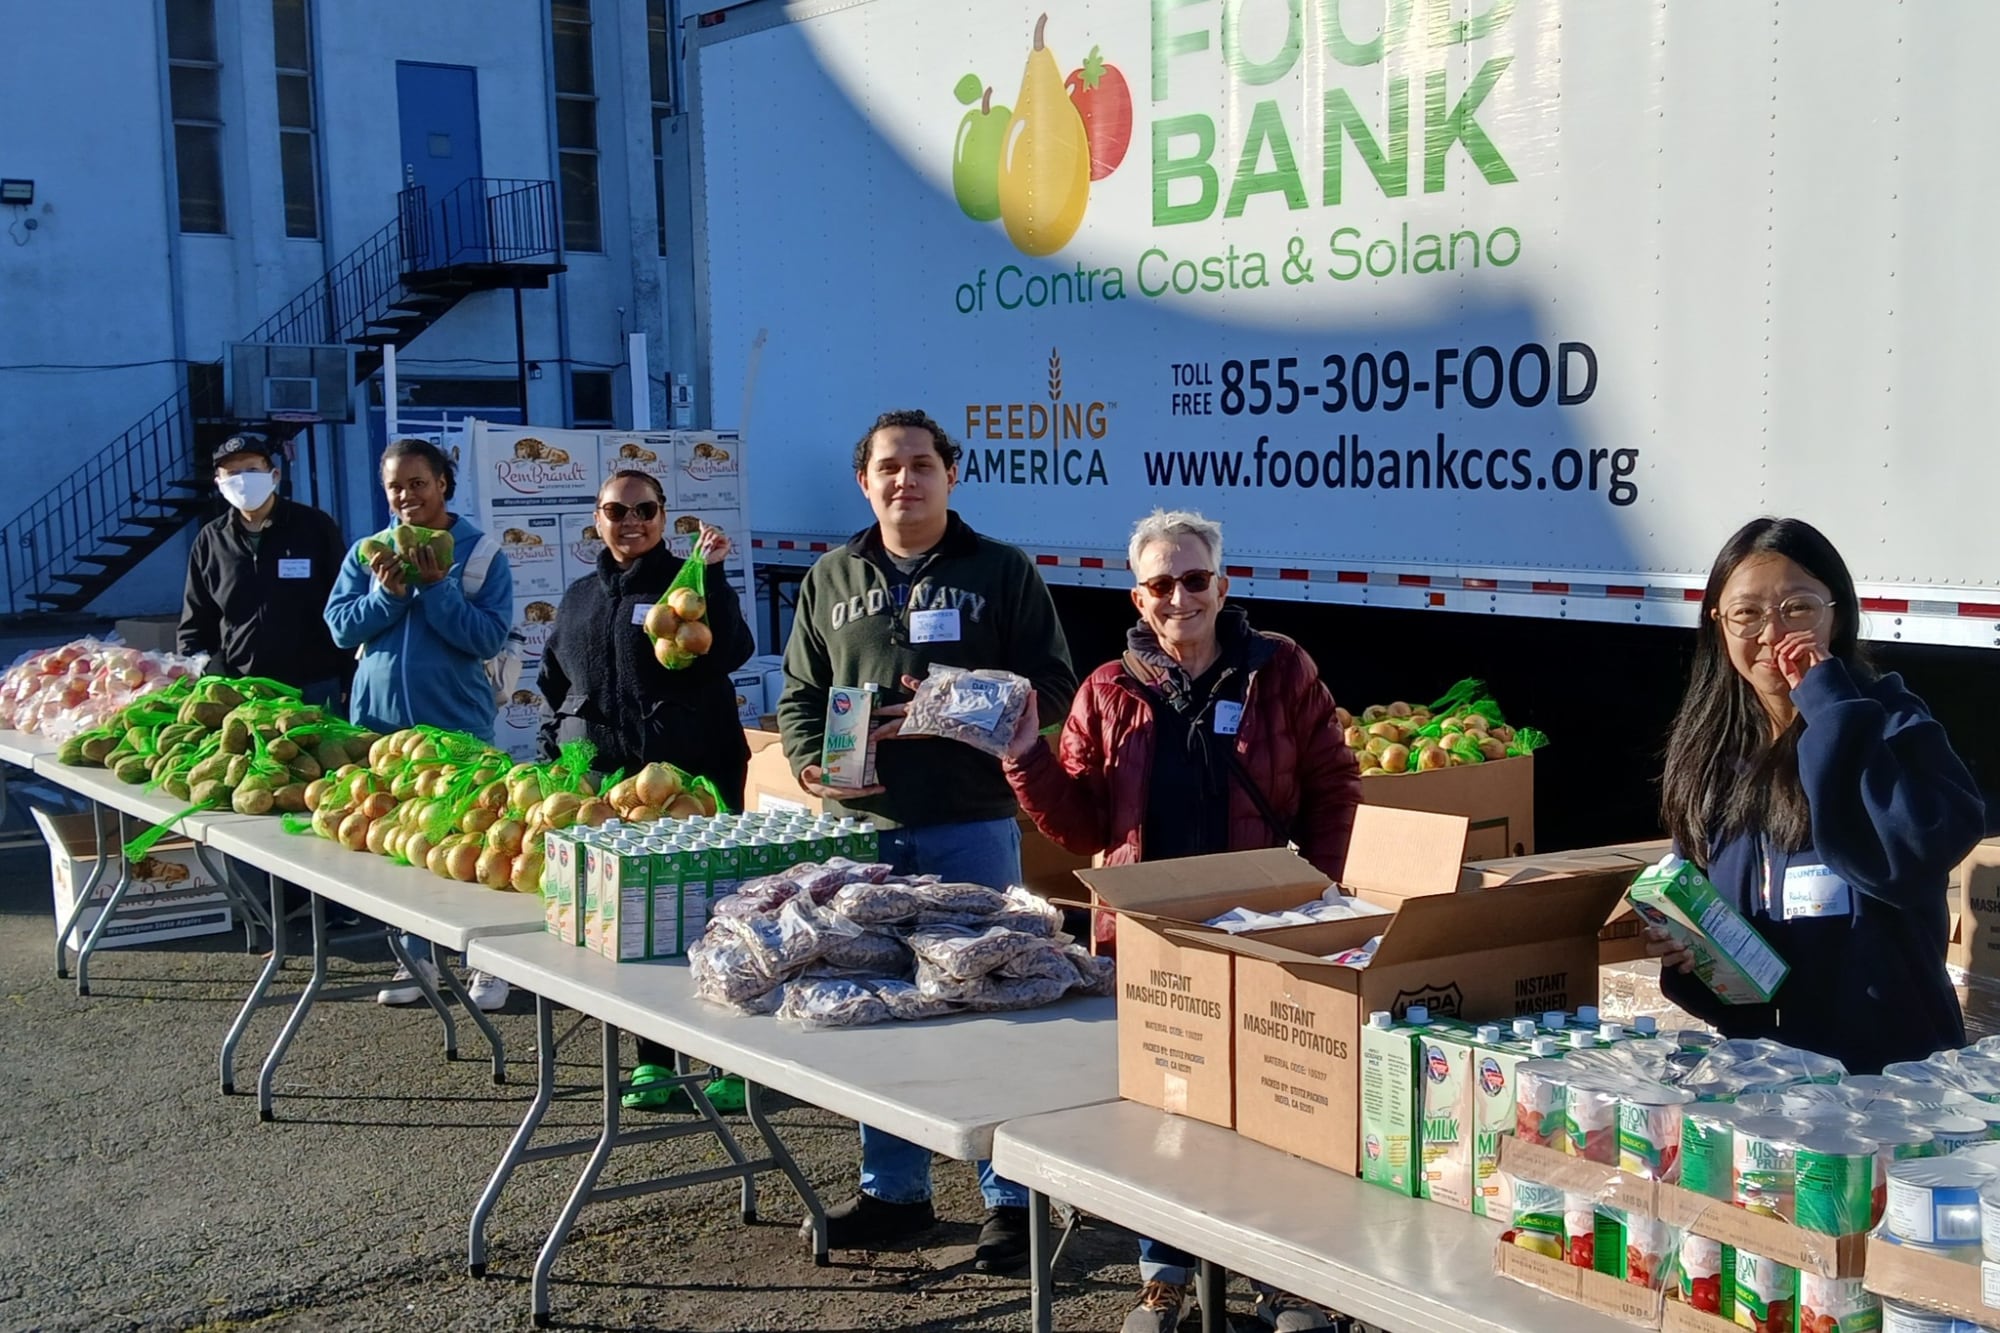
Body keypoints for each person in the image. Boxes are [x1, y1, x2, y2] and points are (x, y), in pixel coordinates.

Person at [1001, 509, 1360, 1333]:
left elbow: (1336, 786)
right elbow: (1085, 826)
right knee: (1165, 1108)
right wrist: (1025, 754)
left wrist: (1321, 897)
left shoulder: (1282, 668)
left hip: (1264, 930)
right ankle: (1161, 1275)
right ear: (1139, 594)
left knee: (1279, 1101)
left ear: (1223, 585)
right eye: (1161, 583)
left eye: (1194, 578)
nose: (1179, 597)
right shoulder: (1105, 687)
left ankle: (1283, 1277)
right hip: (1152, 940)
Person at [776, 408, 1077, 1273]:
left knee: (990, 1005)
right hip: (865, 832)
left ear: (952, 473)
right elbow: (803, 696)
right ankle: (893, 1191)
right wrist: (811, 767)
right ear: (863, 481)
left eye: (921, 465)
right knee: (878, 1010)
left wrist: (965, 700)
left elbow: (1053, 683)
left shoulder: (1001, 570)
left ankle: (1011, 1200)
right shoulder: (830, 577)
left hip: (970, 825)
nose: (905, 480)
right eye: (887, 467)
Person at [1648, 516, 1984, 1074]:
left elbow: (1909, 853)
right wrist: (1690, 956)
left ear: (1838, 613)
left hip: (1891, 1078)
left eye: (1798, 609)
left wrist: (1828, 705)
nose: (1773, 634)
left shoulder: (1893, 721)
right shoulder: (1713, 755)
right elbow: (1710, 920)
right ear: (1718, 625)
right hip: (1765, 1074)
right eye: (1747, 614)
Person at [537, 468, 754, 1111]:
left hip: (696, 779)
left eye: (646, 509)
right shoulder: (580, 595)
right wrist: (559, 745)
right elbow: (556, 679)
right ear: (596, 519)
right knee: (635, 924)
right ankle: (652, 1061)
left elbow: (731, 650)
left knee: (717, 914)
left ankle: (730, 1058)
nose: (631, 521)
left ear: (664, 516)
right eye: (616, 510)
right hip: (613, 791)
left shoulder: (685, 584)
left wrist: (709, 575)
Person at [325, 437, 515, 1011]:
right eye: (395, 486)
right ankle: (416, 959)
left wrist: (437, 589)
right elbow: (340, 628)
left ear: (443, 484)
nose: (407, 496)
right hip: (381, 729)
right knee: (400, 848)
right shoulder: (368, 551)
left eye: (418, 483)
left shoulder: (480, 554)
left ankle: (487, 963)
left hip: (455, 723)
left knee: (473, 841)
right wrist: (387, 595)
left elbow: (484, 638)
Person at [178, 433, 348, 707]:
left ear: (274, 475)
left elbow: (343, 600)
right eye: (232, 473)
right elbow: (196, 620)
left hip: (314, 684)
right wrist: (197, 670)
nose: (243, 480)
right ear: (219, 484)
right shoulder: (211, 540)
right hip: (242, 689)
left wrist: (348, 676)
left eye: (252, 470)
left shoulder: (314, 526)